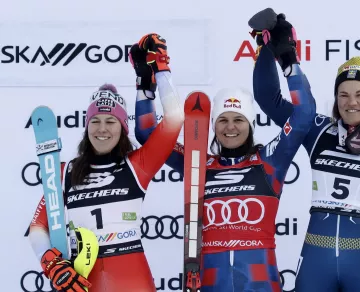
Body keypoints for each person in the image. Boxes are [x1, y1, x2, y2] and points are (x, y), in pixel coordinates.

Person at [250, 9, 360, 292]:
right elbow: (267, 98)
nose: (351, 102)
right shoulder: (318, 130)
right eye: (343, 95)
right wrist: (266, 46)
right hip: (315, 261)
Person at [134, 32, 316, 291]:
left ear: (250, 125)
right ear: (213, 125)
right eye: (223, 120)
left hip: (261, 284)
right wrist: (150, 81)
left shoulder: (270, 160)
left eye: (238, 119)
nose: (230, 128)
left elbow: (305, 114)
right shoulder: (197, 164)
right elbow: (148, 133)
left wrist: (288, 59)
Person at [27, 33, 184, 292]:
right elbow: (37, 227)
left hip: (132, 279)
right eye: (95, 121)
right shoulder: (66, 172)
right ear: (87, 127)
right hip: (82, 280)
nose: (102, 129)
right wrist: (52, 264)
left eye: (110, 122)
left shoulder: (138, 165)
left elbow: (175, 117)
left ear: (122, 128)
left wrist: (160, 70)